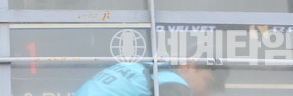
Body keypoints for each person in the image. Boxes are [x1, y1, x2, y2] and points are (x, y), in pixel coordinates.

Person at [73, 60, 227, 96]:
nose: (208, 93)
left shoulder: (142, 66)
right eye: (209, 83)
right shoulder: (173, 83)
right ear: (188, 66)